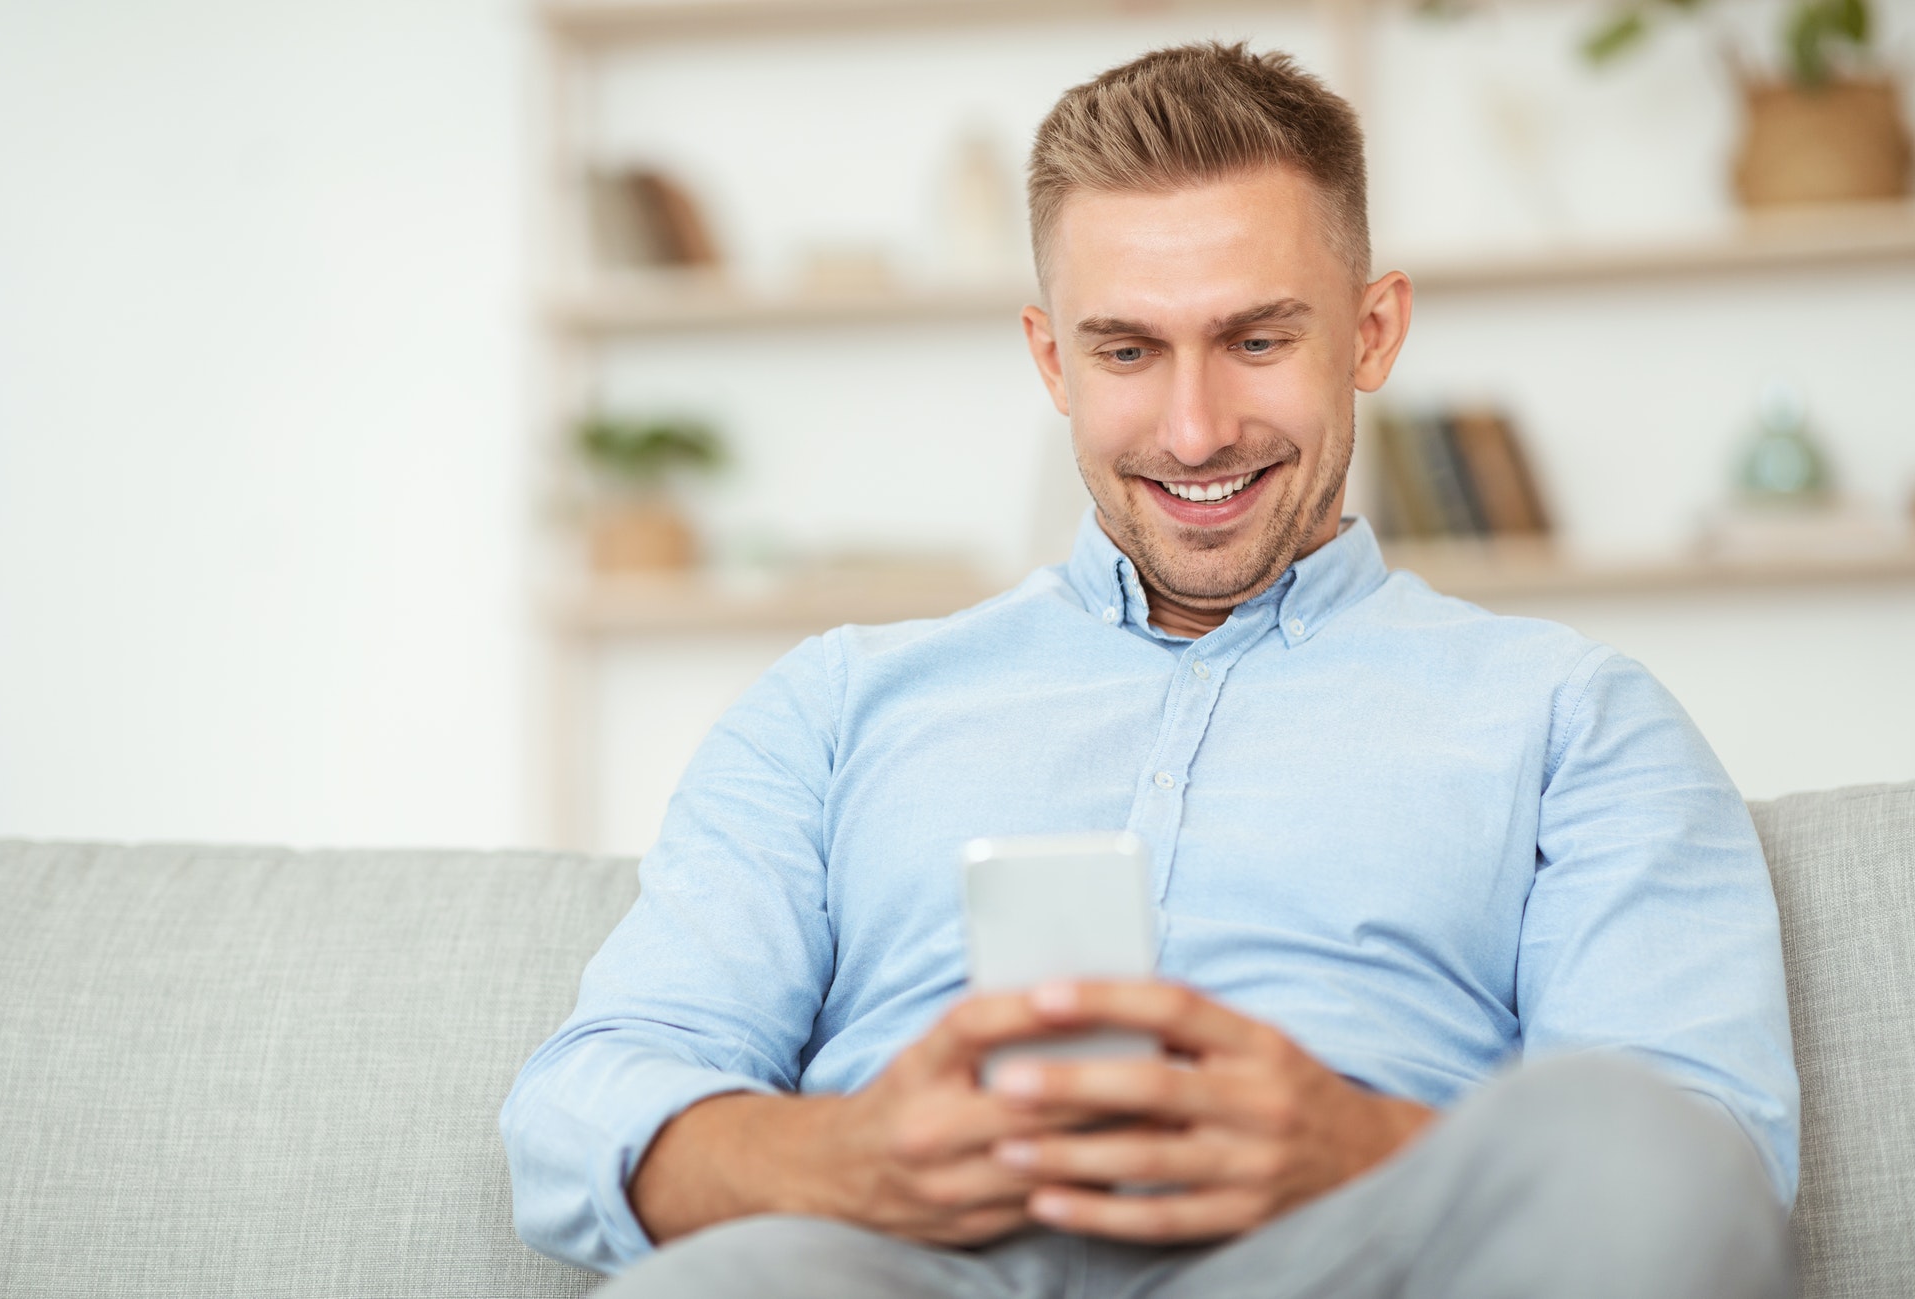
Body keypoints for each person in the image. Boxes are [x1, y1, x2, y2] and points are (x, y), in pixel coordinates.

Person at [502, 42, 1797, 1299]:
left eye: (1256, 340)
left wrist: (1351, 1149)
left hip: (1350, 1262)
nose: (1194, 431)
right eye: (1127, 351)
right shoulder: (836, 704)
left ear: (1373, 332)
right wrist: (840, 1160)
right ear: (1053, 359)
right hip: (900, 1268)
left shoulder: (1575, 715)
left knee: (1641, 1152)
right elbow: (581, 1109)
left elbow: (1708, 1168)